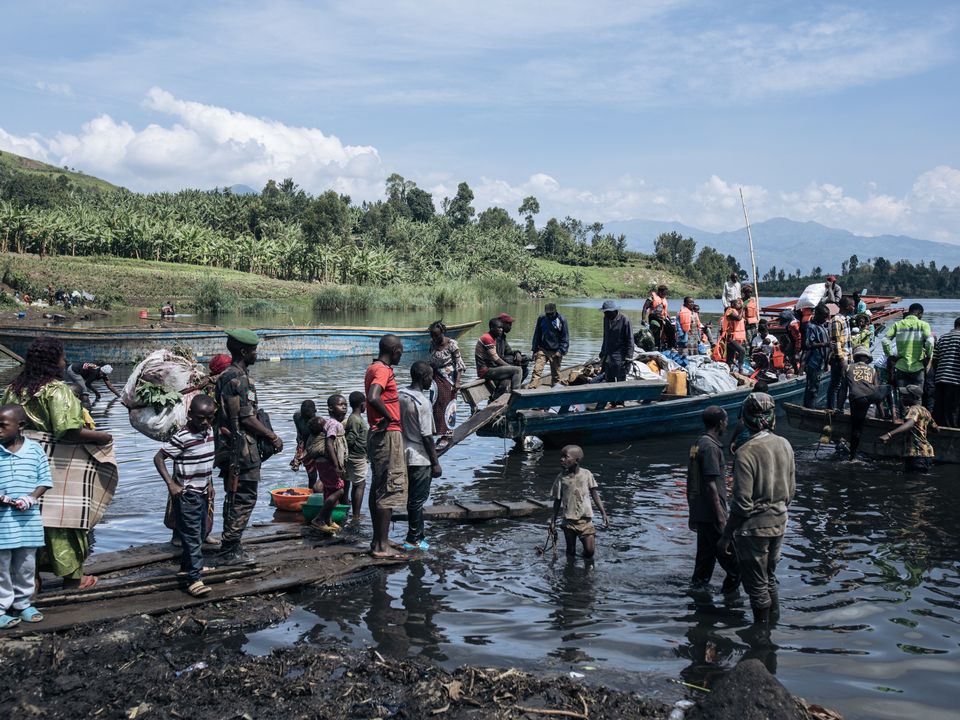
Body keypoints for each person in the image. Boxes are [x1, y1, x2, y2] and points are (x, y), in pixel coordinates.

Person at [1, 337, 113, 591]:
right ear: (53, 361)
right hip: (56, 464)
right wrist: (102, 436)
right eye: (62, 357)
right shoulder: (56, 390)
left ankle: (33, 579)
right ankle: (74, 579)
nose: (65, 363)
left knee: (28, 518)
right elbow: (68, 430)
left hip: (20, 463)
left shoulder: (13, 389)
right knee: (65, 519)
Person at [718, 393, 795, 626]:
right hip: (780, 521)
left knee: (757, 587)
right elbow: (791, 491)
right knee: (769, 579)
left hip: (754, 529)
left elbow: (742, 503)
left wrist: (726, 535)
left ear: (746, 419)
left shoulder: (746, 452)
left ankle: (761, 638)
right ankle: (772, 630)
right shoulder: (785, 444)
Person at [214, 329, 282, 566]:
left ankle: (230, 543)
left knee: (232, 496)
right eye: (254, 350)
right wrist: (272, 437)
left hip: (228, 447)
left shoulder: (223, 376)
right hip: (243, 449)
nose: (256, 353)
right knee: (244, 496)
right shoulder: (241, 380)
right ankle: (230, 548)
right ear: (244, 351)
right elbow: (246, 418)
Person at [153, 395, 216, 597]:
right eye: (200, 418)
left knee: (198, 533)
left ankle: (187, 567)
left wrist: (211, 483)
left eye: (209, 417)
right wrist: (171, 484)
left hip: (203, 491)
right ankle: (194, 579)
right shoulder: (183, 437)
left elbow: (206, 462)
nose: (205, 422)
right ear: (190, 416)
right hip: (187, 494)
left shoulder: (210, 431)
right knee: (191, 536)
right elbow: (159, 457)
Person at [0, 404, 52, 628]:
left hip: (27, 521)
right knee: (1, 567)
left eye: (3, 426)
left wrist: (31, 498)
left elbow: (44, 480)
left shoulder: (35, 450)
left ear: (20, 426)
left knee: (26, 564)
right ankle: (2, 607)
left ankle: (23, 604)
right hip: (2, 523)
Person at [687, 406, 740, 597]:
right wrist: (721, 518)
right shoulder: (710, 447)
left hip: (702, 513)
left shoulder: (697, 443)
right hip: (712, 515)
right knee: (735, 566)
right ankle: (731, 607)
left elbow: (692, 479)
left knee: (704, 566)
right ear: (720, 423)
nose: (727, 424)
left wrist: (693, 512)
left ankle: (698, 604)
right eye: (725, 421)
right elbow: (710, 485)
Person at [365, 334, 408, 559]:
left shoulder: (373, 367)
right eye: (400, 350)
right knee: (388, 489)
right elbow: (373, 397)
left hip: (378, 434)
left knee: (378, 486)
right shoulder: (382, 370)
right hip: (387, 435)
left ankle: (377, 540)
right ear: (395, 351)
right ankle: (382, 546)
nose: (402, 354)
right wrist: (389, 417)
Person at [399, 361, 442, 552]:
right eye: (430, 377)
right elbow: (427, 436)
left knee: (412, 499)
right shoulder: (422, 403)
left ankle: (419, 535)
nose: (431, 381)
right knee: (417, 500)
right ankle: (412, 539)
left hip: (402, 452)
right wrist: (435, 463)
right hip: (419, 457)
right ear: (424, 377)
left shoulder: (400, 394)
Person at [549, 445, 608, 559]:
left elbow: (594, 494)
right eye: (561, 457)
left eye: (566, 457)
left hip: (585, 520)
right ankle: (571, 574)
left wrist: (603, 513)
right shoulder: (561, 478)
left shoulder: (586, 474)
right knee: (570, 551)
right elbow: (557, 500)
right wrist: (553, 521)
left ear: (577, 460)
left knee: (590, 551)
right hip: (569, 522)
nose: (562, 459)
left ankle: (586, 570)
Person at [882, 303, 934, 411]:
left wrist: (891, 355)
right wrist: (928, 356)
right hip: (917, 366)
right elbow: (930, 341)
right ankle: (916, 420)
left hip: (901, 366)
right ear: (919, 313)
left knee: (903, 396)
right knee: (917, 396)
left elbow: (885, 340)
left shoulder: (898, 324)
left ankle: (903, 419)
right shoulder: (923, 325)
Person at [308, 395, 348, 533]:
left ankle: (328, 520)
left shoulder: (331, 423)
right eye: (340, 405)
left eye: (345, 405)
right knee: (339, 490)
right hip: (329, 463)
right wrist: (336, 466)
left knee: (329, 490)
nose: (344, 407)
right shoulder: (334, 424)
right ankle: (319, 519)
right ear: (331, 408)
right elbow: (329, 443)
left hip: (323, 463)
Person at [880, 385, 938, 472]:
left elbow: (910, 424)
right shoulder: (925, 411)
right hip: (926, 454)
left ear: (914, 397)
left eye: (906, 395)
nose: (902, 397)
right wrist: (921, 428)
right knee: (918, 482)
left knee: (912, 482)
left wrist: (889, 434)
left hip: (916, 454)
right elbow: (936, 429)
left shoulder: (913, 409)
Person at [845, 345, 888, 459]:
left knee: (856, 428)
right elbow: (877, 391)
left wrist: (838, 408)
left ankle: (852, 457)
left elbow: (843, 389)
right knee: (881, 391)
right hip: (871, 397)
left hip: (857, 398)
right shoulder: (872, 370)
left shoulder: (848, 367)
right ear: (867, 360)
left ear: (856, 358)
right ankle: (883, 416)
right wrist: (881, 412)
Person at [427, 321, 465, 436]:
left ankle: (447, 432)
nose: (434, 338)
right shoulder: (432, 343)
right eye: (432, 335)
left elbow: (459, 364)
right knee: (435, 403)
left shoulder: (451, 344)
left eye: (437, 335)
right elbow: (431, 360)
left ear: (442, 332)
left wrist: (457, 382)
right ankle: (436, 431)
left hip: (448, 378)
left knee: (448, 403)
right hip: (435, 377)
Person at [475, 319, 522, 397]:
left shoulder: (493, 338)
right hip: (485, 371)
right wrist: (510, 367)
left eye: (502, 328)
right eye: (499, 328)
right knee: (517, 370)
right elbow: (496, 358)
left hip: (491, 368)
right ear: (492, 328)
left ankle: (501, 396)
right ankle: (516, 397)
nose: (501, 330)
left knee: (510, 376)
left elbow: (507, 352)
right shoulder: (487, 338)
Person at [529, 303, 569, 388]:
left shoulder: (561, 320)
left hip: (556, 351)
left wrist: (561, 351)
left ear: (555, 311)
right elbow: (537, 335)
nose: (550, 315)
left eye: (551, 314)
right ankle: (532, 388)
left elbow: (565, 337)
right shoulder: (542, 319)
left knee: (556, 374)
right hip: (543, 349)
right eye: (548, 314)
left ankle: (555, 388)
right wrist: (534, 350)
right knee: (537, 370)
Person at [931, 317, 960, 428]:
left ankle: (939, 428)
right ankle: (952, 430)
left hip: (940, 377)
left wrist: (936, 374)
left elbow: (935, 359)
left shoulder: (943, 337)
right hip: (955, 379)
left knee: (941, 407)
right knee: (954, 408)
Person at [344, 391, 369, 520]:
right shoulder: (355, 419)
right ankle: (356, 515)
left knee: (356, 484)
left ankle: (354, 513)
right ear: (362, 404)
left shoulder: (356, 418)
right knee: (360, 484)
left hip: (358, 456)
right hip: (356, 457)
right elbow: (351, 438)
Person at [827, 297, 854, 411]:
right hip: (839, 358)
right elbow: (836, 341)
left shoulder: (845, 319)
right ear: (846, 307)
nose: (854, 307)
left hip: (846, 357)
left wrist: (850, 359)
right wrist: (842, 359)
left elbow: (848, 342)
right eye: (852, 305)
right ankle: (831, 409)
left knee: (843, 385)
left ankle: (839, 408)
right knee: (836, 385)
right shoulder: (837, 320)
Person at [802, 305, 830, 408]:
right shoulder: (811, 327)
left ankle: (810, 406)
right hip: (813, 362)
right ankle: (809, 409)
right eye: (823, 317)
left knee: (815, 386)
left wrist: (827, 363)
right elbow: (808, 344)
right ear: (817, 315)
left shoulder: (822, 325)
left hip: (821, 362)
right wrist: (825, 344)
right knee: (812, 388)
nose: (825, 319)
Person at [599, 300, 634, 383]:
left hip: (620, 357)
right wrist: (602, 352)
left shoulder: (625, 320)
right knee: (608, 380)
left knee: (620, 381)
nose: (605, 314)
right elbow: (605, 337)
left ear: (614, 311)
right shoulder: (606, 319)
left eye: (607, 312)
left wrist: (628, 358)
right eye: (605, 312)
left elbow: (630, 340)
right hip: (608, 356)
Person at [290, 400, 319, 488]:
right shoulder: (297, 417)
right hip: (304, 444)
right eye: (304, 417)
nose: (307, 420)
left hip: (316, 447)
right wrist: (298, 455)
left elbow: (314, 443)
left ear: (315, 412)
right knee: (310, 473)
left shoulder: (317, 423)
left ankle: (313, 494)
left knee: (314, 473)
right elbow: (299, 434)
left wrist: (303, 455)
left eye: (308, 417)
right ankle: (310, 492)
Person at [496, 313, 529, 385]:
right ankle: (514, 387)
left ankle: (514, 386)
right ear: (502, 324)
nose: (511, 327)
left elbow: (509, 351)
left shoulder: (502, 337)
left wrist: (517, 353)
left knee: (525, 362)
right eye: (509, 325)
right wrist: (511, 363)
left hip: (503, 362)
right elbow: (497, 358)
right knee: (522, 367)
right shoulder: (496, 337)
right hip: (497, 365)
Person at [722, 299, 747, 372]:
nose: (739, 305)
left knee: (730, 357)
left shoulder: (735, 312)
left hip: (734, 337)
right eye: (738, 304)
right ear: (733, 305)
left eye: (740, 304)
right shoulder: (730, 312)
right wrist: (742, 308)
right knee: (742, 351)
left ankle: (729, 371)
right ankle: (740, 369)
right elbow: (738, 318)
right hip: (730, 338)